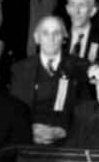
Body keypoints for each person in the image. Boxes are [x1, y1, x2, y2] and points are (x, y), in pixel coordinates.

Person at [8, 17, 91, 146]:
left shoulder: (80, 67)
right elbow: (15, 112)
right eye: (45, 33)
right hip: (29, 141)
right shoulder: (20, 69)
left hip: (68, 143)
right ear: (37, 38)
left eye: (56, 33)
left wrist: (63, 131)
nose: (51, 39)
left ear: (64, 38)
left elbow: (87, 111)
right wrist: (30, 130)